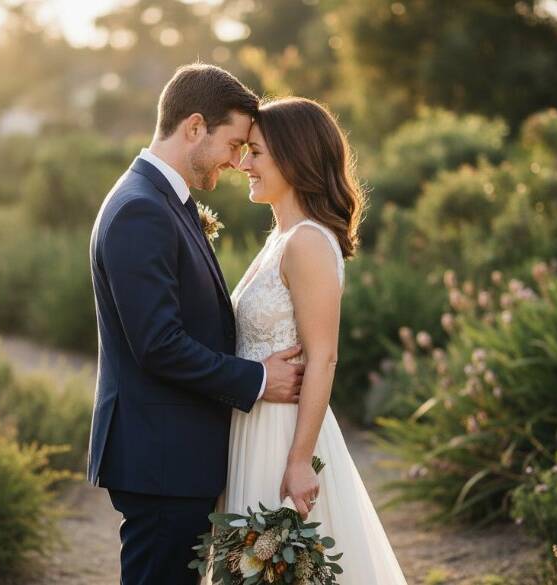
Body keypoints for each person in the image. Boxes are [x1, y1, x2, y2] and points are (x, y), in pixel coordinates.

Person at [86, 64, 306, 585]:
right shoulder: (141, 209)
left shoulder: (162, 201)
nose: (236, 161)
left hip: (173, 453)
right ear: (193, 127)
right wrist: (256, 380)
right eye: (233, 144)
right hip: (162, 457)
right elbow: (158, 344)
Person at [208, 96, 409, 583]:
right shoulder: (281, 236)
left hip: (282, 436)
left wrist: (298, 461)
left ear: (294, 158)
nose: (242, 164)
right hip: (251, 427)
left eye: (255, 153)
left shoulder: (309, 242)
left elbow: (324, 359)